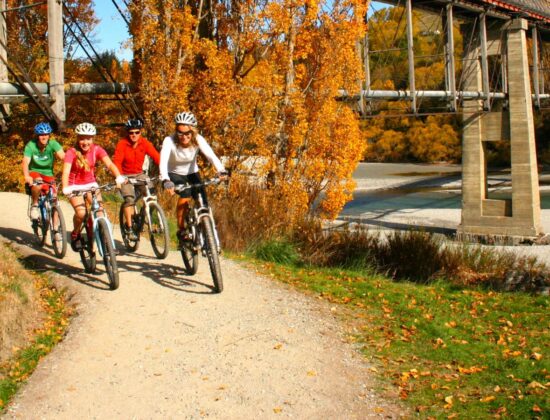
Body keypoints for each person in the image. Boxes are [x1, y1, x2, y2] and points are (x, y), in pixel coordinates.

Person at [160, 112, 227, 246]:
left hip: (192, 172)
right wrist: (166, 180)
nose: (184, 136)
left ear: (193, 131)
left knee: (202, 199)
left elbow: (211, 155)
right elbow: (163, 161)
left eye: (187, 133)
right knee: (185, 194)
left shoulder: (198, 139)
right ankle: (181, 229)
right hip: (174, 173)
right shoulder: (169, 141)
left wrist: (221, 170)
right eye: (180, 133)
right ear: (176, 131)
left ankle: (206, 231)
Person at [61, 122, 126, 251]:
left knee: (100, 211)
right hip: (74, 186)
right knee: (81, 213)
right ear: (77, 138)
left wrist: (118, 176)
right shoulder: (71, 152)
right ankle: (75, 234)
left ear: (93, 139)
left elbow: (110, 164)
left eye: (88, 138)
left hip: (91, 184)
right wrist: (65, 187)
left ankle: (105, 239)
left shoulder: (97, 150)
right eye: (82, 138)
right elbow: (66, 172)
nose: (85, 142)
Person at [112, 118, 160, 240]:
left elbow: (156, 156)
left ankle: (145, 215)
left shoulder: (145, 143)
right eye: (131, 132)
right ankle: (129, 228)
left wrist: (164, 172)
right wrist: (120, 177)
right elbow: (117, 162)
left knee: (152, 194)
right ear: (127, 133)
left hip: (139, 174)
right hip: (125, 175)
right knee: (129, 199)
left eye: (137, 132)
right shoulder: (122, 144)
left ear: (140, 132)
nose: (134, 135)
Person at [22, 122, 65, 221]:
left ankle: (56, 231)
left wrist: (70, 160)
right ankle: (35, 205)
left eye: (46, 134)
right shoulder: (31, 145)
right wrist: (26, 176)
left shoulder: (53, 143)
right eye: (41, 135)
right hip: (34, 171)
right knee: (38, 181)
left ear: (49, 135)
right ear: (37, 136)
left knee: (55, 200)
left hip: (49, 174)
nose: (44, 137)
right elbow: (25, 162)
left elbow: (62, 156)